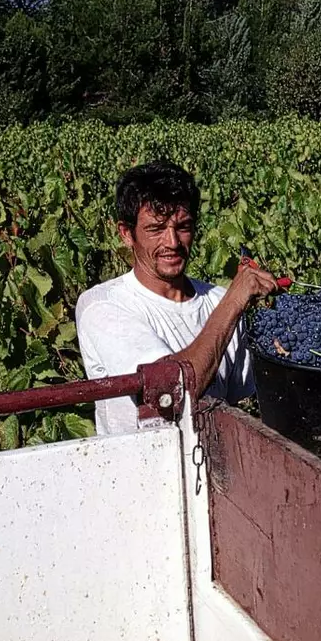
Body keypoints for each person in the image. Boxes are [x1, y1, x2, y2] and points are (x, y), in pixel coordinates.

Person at [75, 160, 279, 436]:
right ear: (126, 234)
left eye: (182, 226)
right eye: (156, 229)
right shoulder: (102, 305)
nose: (172, 242)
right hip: (141, 474)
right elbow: (171, 390)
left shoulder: (217, 300)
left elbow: (237, 399)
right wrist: (233, 302)